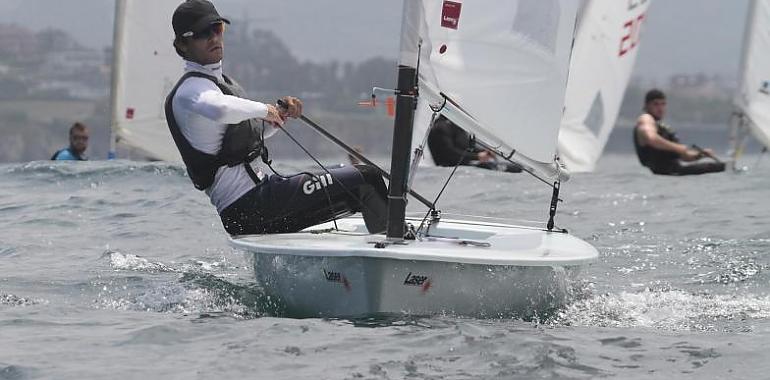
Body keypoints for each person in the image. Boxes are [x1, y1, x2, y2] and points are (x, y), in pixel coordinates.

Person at [165, 0, 387, 236]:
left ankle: (379, 243)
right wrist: (264, 109)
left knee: (354, 180)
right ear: (182, 43)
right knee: (367, 177)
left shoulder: (221, 84)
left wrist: (278, 117)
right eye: (201, 33)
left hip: (261, 201)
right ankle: (395, 250)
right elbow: (220, 109)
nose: (213, 38)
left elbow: (249, 135)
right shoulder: (190, 91)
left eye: (217, 28)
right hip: (251, 206)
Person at [633, 89, 725, 175]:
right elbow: (651, 138)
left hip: (674, 171)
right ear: (646, 106)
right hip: (664, 173)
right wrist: (677, 147)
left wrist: (700, 155)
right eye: (656, 104)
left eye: (663, 104)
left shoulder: (659, 126)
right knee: (721, 168)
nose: (660, 108)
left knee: (718, 167)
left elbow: (683, 157)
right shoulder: (646, 119)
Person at [427, 115, 522, 173]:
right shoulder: (441, 127)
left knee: (515, 167)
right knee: (494, 168)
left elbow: (466, 146)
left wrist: (484, 151)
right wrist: (477, 156)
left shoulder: (455, 125)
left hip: (464, 166)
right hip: (449, 168)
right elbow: (450, 154)